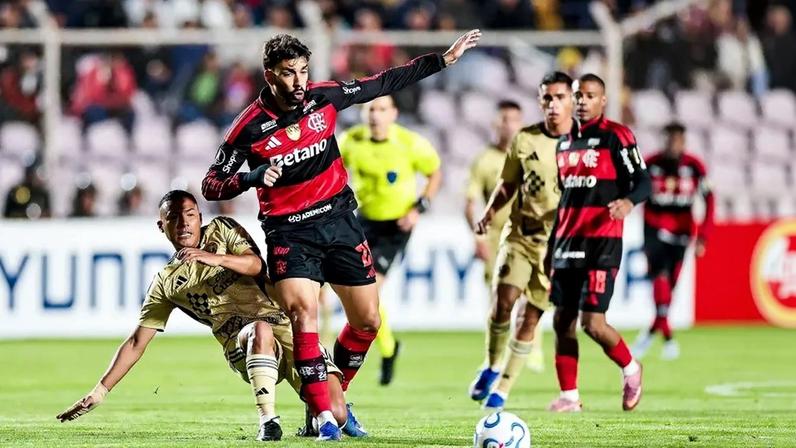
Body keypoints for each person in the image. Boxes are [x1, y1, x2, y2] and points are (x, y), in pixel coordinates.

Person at [201, 30, 481, 440]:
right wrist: (252, 176)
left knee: (368, 320)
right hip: (289, 231)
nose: (298, 82)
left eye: (303, 71)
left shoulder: (324, 97)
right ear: (269, 76)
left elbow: (381, 82)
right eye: (288, 73)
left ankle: (333, 399)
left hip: (340, 221)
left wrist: (442, 60)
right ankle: (326, 420)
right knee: (304, 315)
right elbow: (211, 185)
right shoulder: (248, 127)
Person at [55, 190, 366, 442]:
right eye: (173, 218)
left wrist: (213, 257)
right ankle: (268, 421)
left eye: (190, 215)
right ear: (161, 225)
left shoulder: (223, 230)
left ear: (200, 217)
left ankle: (315, 417)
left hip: (286, 323)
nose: (183, 224)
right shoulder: (167, 281)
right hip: (241, 339)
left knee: (336, 413)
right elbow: (137, 341)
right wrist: (100, 391)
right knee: (259, 330)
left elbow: (256, 265)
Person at [546, 74, 651, 413]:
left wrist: (629, 202)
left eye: (590, 96)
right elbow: (565, 200)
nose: (582, 101)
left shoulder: (616, 137)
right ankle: (570, 397)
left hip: (601, 242)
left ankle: (632, 368)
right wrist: (550, 249)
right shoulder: (563, 143)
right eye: (578, 95)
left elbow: (644, 181)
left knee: (593, 322)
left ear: (602, 101)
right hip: (566, 240)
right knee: (562, 320)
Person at [470, 73, 574, 411]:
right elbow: (507, 184)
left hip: (557, 248)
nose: (553, 104)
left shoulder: (583, 146)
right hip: (519, 236)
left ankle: (503, 388)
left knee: (530, 318)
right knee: (504, 300)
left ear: (571, 100)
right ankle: (490, 364)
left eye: (559, 97)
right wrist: (488, 213)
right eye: (547, 98)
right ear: (541, 101)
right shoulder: (525, 139)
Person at [338, 95, 442, 386]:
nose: (375, 115)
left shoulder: (410, 143)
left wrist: (419, 208)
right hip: (363, 221)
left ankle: (384, 348)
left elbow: (435, 173)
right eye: (370, 109)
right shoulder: (350, 141)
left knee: (369, 290)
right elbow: (333, 169)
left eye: (382, 109)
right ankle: (389, 347)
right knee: (361, 293)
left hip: (396, 225)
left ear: (393, 113)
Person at [464, 100, 546, 375]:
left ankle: (532, 348)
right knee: (499, 298)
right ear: (495, 124)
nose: (509, 124)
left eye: (514, 119)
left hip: (526, 234)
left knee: (529, 291)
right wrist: (478, 238)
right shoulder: (484, 160)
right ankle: (494, 357)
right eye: (504, 119)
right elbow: (471, 202)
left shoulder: (531, 154)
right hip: (495, 236)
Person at [632, 122, 714, 360]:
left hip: (682, 234)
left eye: (677, 141)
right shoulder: (651, 163)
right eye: (669, 140)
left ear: (683, 142)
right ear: (664, 140)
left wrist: (704, 236)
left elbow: (710, 200)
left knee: (670, 291)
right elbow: (636, 190)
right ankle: (668, 339)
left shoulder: (695, 166)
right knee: (660, 281)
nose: (673, 145)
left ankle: (650, 333)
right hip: (654, 230)